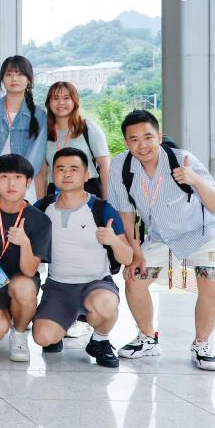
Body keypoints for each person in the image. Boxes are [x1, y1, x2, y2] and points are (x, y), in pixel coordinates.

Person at [108, 110, 215, 370]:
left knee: (211, 282)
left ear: (159, 137)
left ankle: (201, 344)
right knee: (134, 279)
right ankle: (147, 338)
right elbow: (125, 214)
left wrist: (194, 179)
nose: (142, 145)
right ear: (126, 143)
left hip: (203, 231)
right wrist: (135, 253)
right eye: (134, 139)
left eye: (148, 137)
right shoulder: (120, 167)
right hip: (161, 236)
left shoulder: (182, 159)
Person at [33, 148, 132, 368]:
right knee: (42, 337)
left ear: (86, 175)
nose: (67, 174)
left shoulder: (102, 209)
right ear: (53, 175)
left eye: (74, 169)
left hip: (96, 284)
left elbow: (127, 256)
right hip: (58, 287)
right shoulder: (42, 207)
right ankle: (63, 323)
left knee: (104, 305)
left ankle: (100, 340)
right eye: (60, 169)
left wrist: (113, 241)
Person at [0, 154, 51, 363]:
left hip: (20, 282)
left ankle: (19, 333)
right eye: (4, 177)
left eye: (18, 177)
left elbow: (29, 271)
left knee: (23, 287)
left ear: (28, 181)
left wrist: (24, 243)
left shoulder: (39, 219)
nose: (11, 183)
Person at [0, 56, 47, 202]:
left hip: (23, 186)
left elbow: (36, 153)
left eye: (20, 74)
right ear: (2, 78)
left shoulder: (38, 114)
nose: (14, 79)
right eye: (9, 74)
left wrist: (19, 180)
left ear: (29, 80)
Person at [43, 81, 111, 197]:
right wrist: (41, 204)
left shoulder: (88, 127)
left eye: (66, 98)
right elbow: (42, 172)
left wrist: (106, 201)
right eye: (55, 98)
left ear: (74, 101)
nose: (61, 102)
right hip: (56, 193)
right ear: (49, 103)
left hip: (88, 190)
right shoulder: (43, 133)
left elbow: (105, 166)